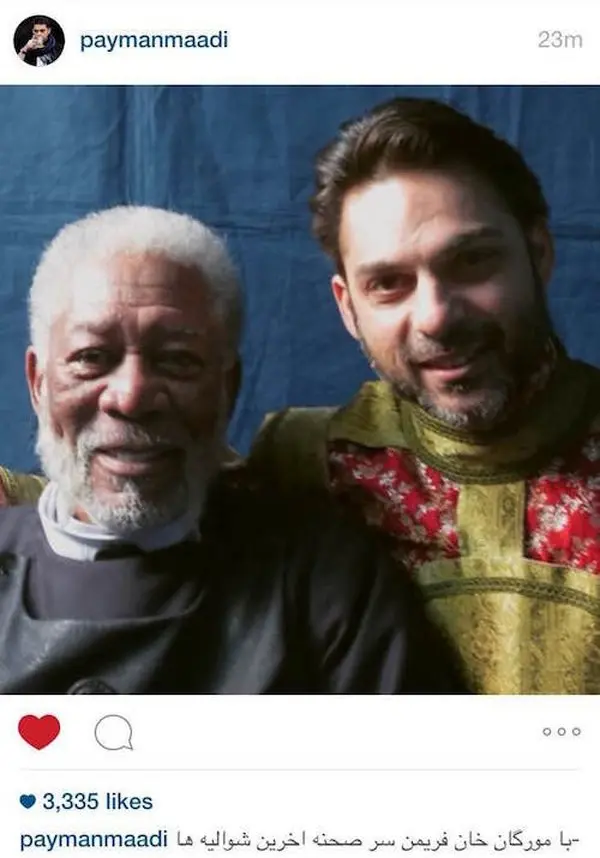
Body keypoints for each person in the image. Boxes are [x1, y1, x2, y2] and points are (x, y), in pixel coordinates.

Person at [0, 204, 467, 694]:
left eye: (177, 360)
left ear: (228, 387)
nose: (132, 396)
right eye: (92, 358)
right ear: (38, 383)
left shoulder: (326, 581)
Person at [248, 97, 600, 694]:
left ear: (538, 255)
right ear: (348, 308)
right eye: (389, 283)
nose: (436, 316)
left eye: (472, 262)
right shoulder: (301, 468)